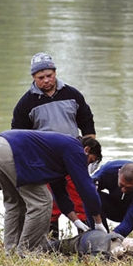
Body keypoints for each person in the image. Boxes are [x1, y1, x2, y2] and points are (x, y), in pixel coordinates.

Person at [11, 52, 96, 237]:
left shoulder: (72, 95)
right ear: (34, 78)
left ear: (55, 73)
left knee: (80, 200)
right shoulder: (26, 104)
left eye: (49, 76)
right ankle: (50, 243)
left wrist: (90, 150)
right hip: (45, 162)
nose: (46, 81)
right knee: (49, 204)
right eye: (41, 77)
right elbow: (18, 137)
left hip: (73, 157)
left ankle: (88, 239)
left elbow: (87, 122)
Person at [0, 129, 106, 257]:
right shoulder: (75, 149)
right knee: (42, 202)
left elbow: (59, 191)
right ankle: (28, 251)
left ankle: (11, 253)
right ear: (87, 150)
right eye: (91, 161)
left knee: (15, 203)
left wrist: (75, 221)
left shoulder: (61, 151)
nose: (88, 165)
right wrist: (98, 222)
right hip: (13, 149)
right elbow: (85, 186)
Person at [90, 160, 133, 244]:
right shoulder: (106, 171)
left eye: (129, 187)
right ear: (118, 173)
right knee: (93, 197)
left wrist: (115, 236)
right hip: (115, 204)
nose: (123, 190)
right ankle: (100, 237)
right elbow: (88, 192)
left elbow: (131, 217)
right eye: (121, 185)